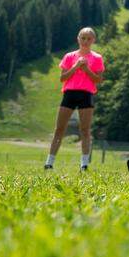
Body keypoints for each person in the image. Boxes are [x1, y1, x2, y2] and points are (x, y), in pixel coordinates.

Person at [45, 27, 104, 170]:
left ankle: (84, 164)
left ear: (93, 40)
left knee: (85, 130)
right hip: (69, 94)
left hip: (86, 94)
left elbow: (98, 80)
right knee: (59, 129)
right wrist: (76, 66)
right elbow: (62, 78)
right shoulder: (69, 56)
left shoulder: (97, 58)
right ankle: (49, 162)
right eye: (83, 38)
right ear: (78, 39)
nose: (85, 41)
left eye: (88, 38)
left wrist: (86, 70)